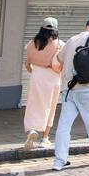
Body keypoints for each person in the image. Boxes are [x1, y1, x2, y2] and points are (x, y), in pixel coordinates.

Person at [51, 17, 89, 170]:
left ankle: (59, 161)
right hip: (86, 87)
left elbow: (58, 58)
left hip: (68, 89)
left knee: (64, 125)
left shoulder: (72, 39)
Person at [23, 17, 63, 150]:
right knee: (50, 107)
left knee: (33, 104)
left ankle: (32, 130)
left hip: (36, 75)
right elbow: (61, 64)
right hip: (52, 77)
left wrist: (34, 71)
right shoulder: (59, 45)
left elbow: (27, 64)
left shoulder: (32, 43)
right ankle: (45, 138)